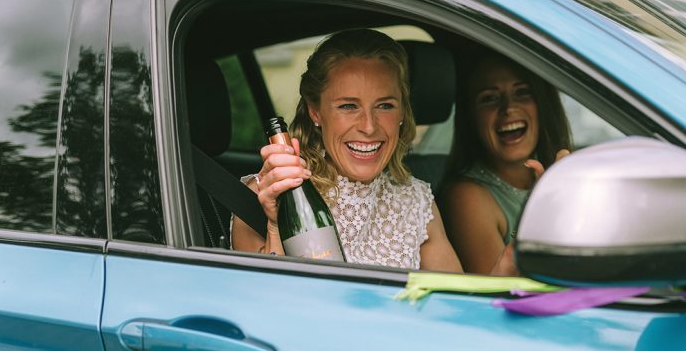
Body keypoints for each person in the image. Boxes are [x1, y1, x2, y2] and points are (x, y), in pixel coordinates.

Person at [232, 28, 463, 272]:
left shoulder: (415, 201)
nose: (369, 126)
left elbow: (459, 303)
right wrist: (276, 226)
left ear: (402, 112)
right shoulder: (267, 193)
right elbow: (266, 303)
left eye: (385, 105)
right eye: (349, 106)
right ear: (316, 112)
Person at [441, 51, 572, 274]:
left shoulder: (561, 174)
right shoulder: (467, 195)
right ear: (471, 118)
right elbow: (500, 295)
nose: (508, 108)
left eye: (522, 93)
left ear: (543, 106)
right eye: (489, 98)